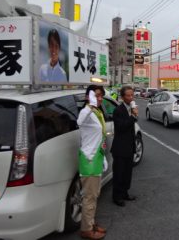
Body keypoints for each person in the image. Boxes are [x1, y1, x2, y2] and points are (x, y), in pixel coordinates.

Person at [77, 85, 107, 240]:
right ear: (89, 96)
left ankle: (91, 223)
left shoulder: (96, 113)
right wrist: (91, 105)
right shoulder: (86, 112)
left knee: (94, 195)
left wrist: (104, 158)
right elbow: (79, 121)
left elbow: (98, 137)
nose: (100, 98)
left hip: (97, 158)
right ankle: (86, 230)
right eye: (96, 95)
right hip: (89, 159)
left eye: (101, 95)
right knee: (89, 197)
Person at [111, 86, 138, 207]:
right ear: (122, 97)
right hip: (120, 148)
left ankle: (125, 192)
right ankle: (117, 197)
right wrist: (132, 116)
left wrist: (133, 115)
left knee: (128, 173)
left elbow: (132, 127)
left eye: (132, 95)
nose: (131, 97)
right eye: (128, 95)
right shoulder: (118, 110)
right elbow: (121, 127)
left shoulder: (131, 109)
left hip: (129, 146)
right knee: (119, 174)